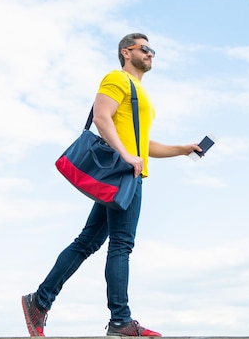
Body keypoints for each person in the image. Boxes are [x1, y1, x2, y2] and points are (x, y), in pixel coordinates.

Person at [22, 33, 202, 337]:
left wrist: (182, 149)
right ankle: (120, 320)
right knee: (121, 245)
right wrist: (126, 155)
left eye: (153, 50)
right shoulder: (116, 78)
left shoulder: (139, 92)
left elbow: (142, 145)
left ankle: (39, 301)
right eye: (145, 48)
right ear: (125, 51)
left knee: (87, 242)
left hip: (128, 171)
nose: (151, 54)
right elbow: (102, 118)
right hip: (124, 174)